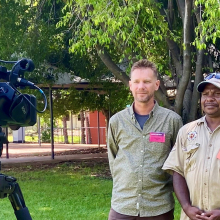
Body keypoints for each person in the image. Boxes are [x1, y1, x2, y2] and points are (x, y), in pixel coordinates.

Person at [107, 59, 183, 220]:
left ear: (156, 85)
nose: (141, 86)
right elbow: (113, 158)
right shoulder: (116, 121)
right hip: (122, 206)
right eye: (137, 82)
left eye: (147, 82)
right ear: (130, 85)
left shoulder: (172, 121)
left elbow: (179, 161)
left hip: (159, 207)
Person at [162, 73, 220, 220]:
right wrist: (187, 207)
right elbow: (178, 171)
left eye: (217, 94)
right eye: (205, 94)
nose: (210, 98)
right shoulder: (187, 132)